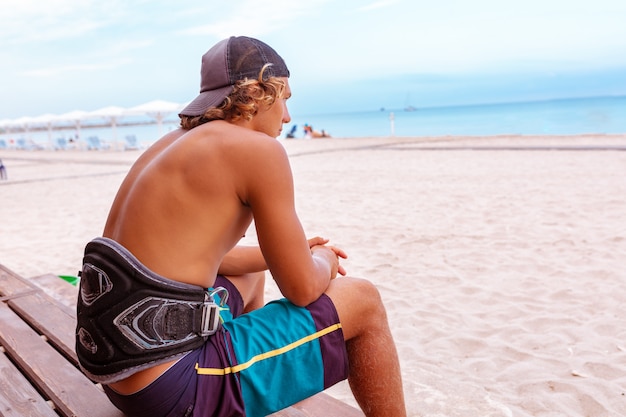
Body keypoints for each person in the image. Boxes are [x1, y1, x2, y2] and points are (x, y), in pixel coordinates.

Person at [75, 36, 406, 417]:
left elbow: (196, 257)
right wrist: (323, 259)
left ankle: (262, 390)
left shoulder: (171, 143)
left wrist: (278, 255)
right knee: (363, 299)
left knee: (252, 277)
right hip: (175, 391)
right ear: (260, 93)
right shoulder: (259, 151)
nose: (286, 117)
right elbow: (301, 289)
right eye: (285, 98)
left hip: (121, 379)